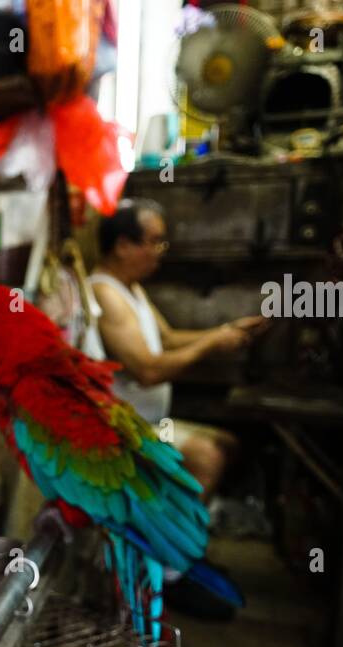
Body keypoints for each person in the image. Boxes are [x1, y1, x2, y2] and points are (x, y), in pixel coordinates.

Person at [84, 198, 267, 618]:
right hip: (125, 431)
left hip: (151, 422)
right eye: (153, 242)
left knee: (227, 444)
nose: (160, 252)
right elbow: (148, 369)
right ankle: (166, 573)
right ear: (123, 246)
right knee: (207, 456)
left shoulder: (132, 290)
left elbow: (164, 340)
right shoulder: (105, 295)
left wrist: (224, 331)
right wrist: (212, 345)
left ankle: (175, 544)